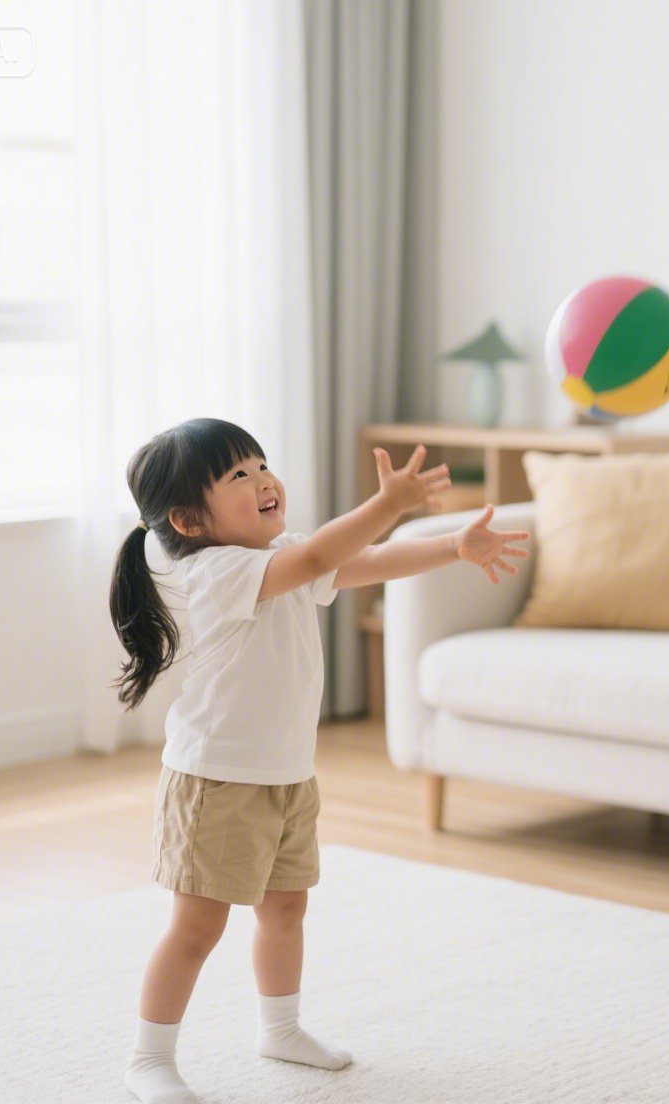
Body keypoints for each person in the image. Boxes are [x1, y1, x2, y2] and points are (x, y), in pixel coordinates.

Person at [109, 417, 529, 1104]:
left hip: (286, 776)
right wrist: (387, 504)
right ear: (189, 520)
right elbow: (316, 560)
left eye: (261, 464)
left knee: (285, 911)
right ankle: (147, 1058)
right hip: (217, 780)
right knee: (197, 927)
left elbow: (363, 562)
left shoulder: (280, 554)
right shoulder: (216, 571)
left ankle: (281, 1029)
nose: (263, 480)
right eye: (238, 475)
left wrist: (452, 545)